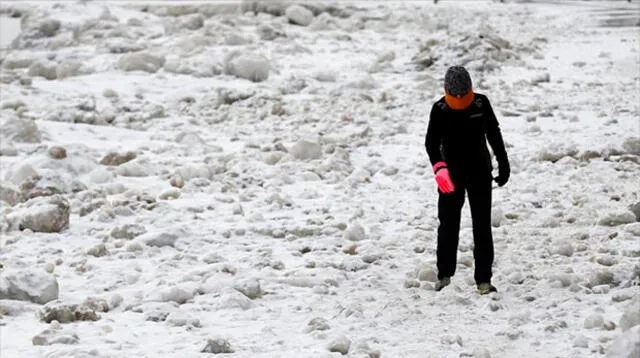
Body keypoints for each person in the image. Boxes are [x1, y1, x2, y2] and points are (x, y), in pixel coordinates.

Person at [424, 66, 510, 294]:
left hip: (480, 171)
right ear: (446, 92)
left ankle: (483, 279)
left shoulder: (481, 104)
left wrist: (503, 161)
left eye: (465, 96)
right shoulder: (440, 109)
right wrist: (439, 167)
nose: (461, 100)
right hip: (450, 175)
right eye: (456, 97)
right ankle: (444, 275)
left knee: (482, 225)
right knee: (448, 225)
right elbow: (431, 143)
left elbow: (494, 132)